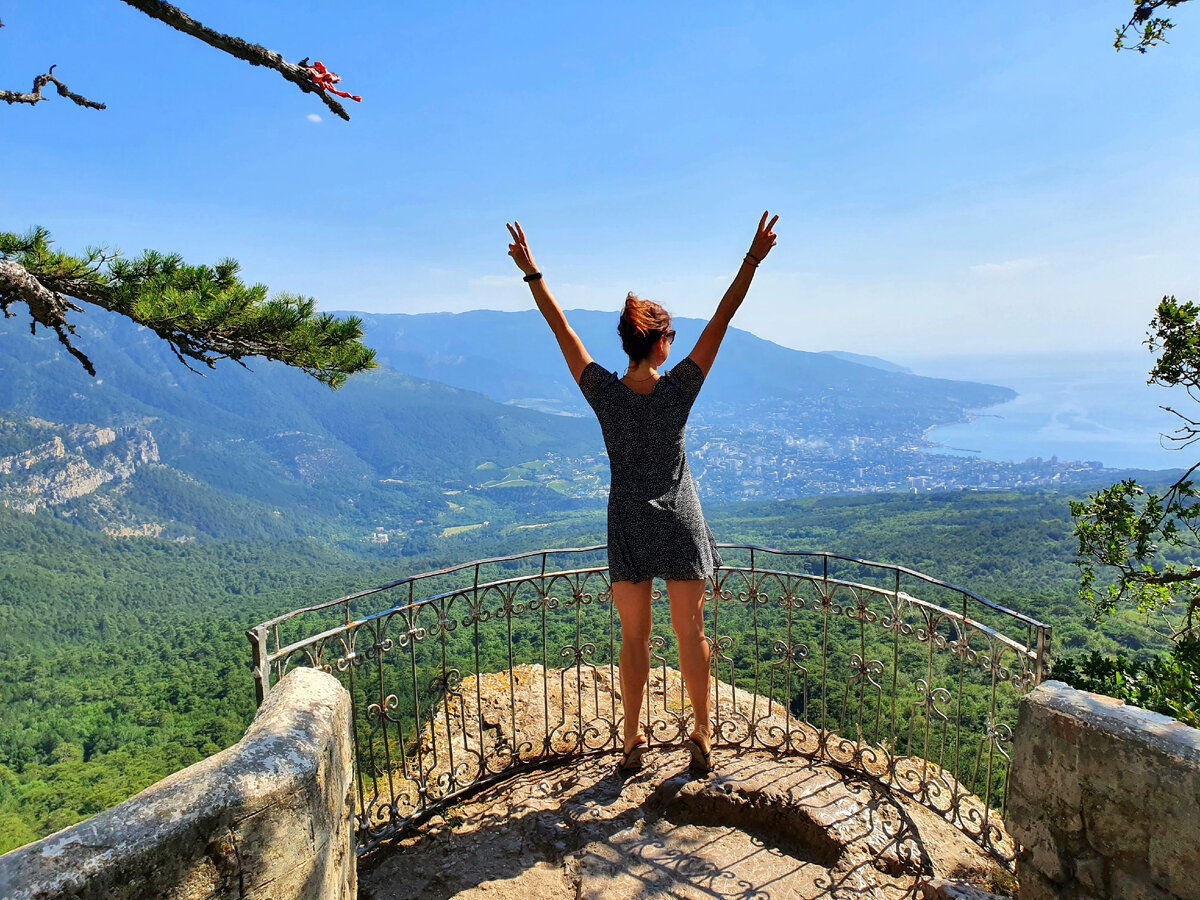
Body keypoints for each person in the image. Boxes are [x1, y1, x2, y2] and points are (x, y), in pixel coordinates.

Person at [505, 212, 779, 772]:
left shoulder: (604, 394)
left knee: (634, 638)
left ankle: (630, 741)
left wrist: (533, 274)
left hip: (628, 520)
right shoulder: (678, 390)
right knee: (690, 633)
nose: (674, 345)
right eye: (670, 337)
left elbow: (563, 331)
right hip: (679, 519)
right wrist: (752, 260)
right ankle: (701, 734)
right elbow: (723, 319)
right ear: (658, 345)